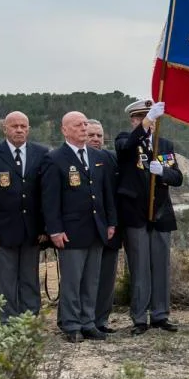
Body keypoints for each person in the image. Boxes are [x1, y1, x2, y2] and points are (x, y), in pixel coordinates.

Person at [40, 111, 116, 342]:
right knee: (72, 281)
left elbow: (106, 193)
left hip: (96, 228)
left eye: (85, 124)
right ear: (65, 130)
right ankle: (71, 324)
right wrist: (54, 229)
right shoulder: (54, 158)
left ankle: (88, 321)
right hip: (71, 231)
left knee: (92, 279)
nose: (83, 128)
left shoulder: (96, 156)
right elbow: (50, 199)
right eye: (78, 125)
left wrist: (110, 222)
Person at [115, 100, 182, 335]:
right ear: (134, 120)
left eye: (152, 118)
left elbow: (177, 177)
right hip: (136, 215)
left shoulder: (163, 144)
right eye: (142, 118)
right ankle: (140, 317)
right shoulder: (125, 140)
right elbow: (126, 149)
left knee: (160, 266)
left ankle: (160, 314)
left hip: (161, 213)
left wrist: (162, 172)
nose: (150, 123)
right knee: (140, 266)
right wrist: (143, 126)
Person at [0, 111, 48, 320]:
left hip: (32, 229)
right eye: (14, 126)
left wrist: (45, 228)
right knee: (6, 281)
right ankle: (7, 322)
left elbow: (46, 195)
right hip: (3, 230)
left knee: (29, 277)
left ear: (28, 129)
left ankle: (30, 319)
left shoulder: (42, 153)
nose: (19, 130)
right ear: (4, 129)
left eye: (23, 126)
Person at [86, 119, 122, 333]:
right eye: (91, 135)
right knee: (83, 279)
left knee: (107, 278)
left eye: (99, 135)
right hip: (84, 231)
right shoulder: (73, 159)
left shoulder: (111, 159)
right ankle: (79, 320)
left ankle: (101, 320)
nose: (96, 139)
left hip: (110, 228)